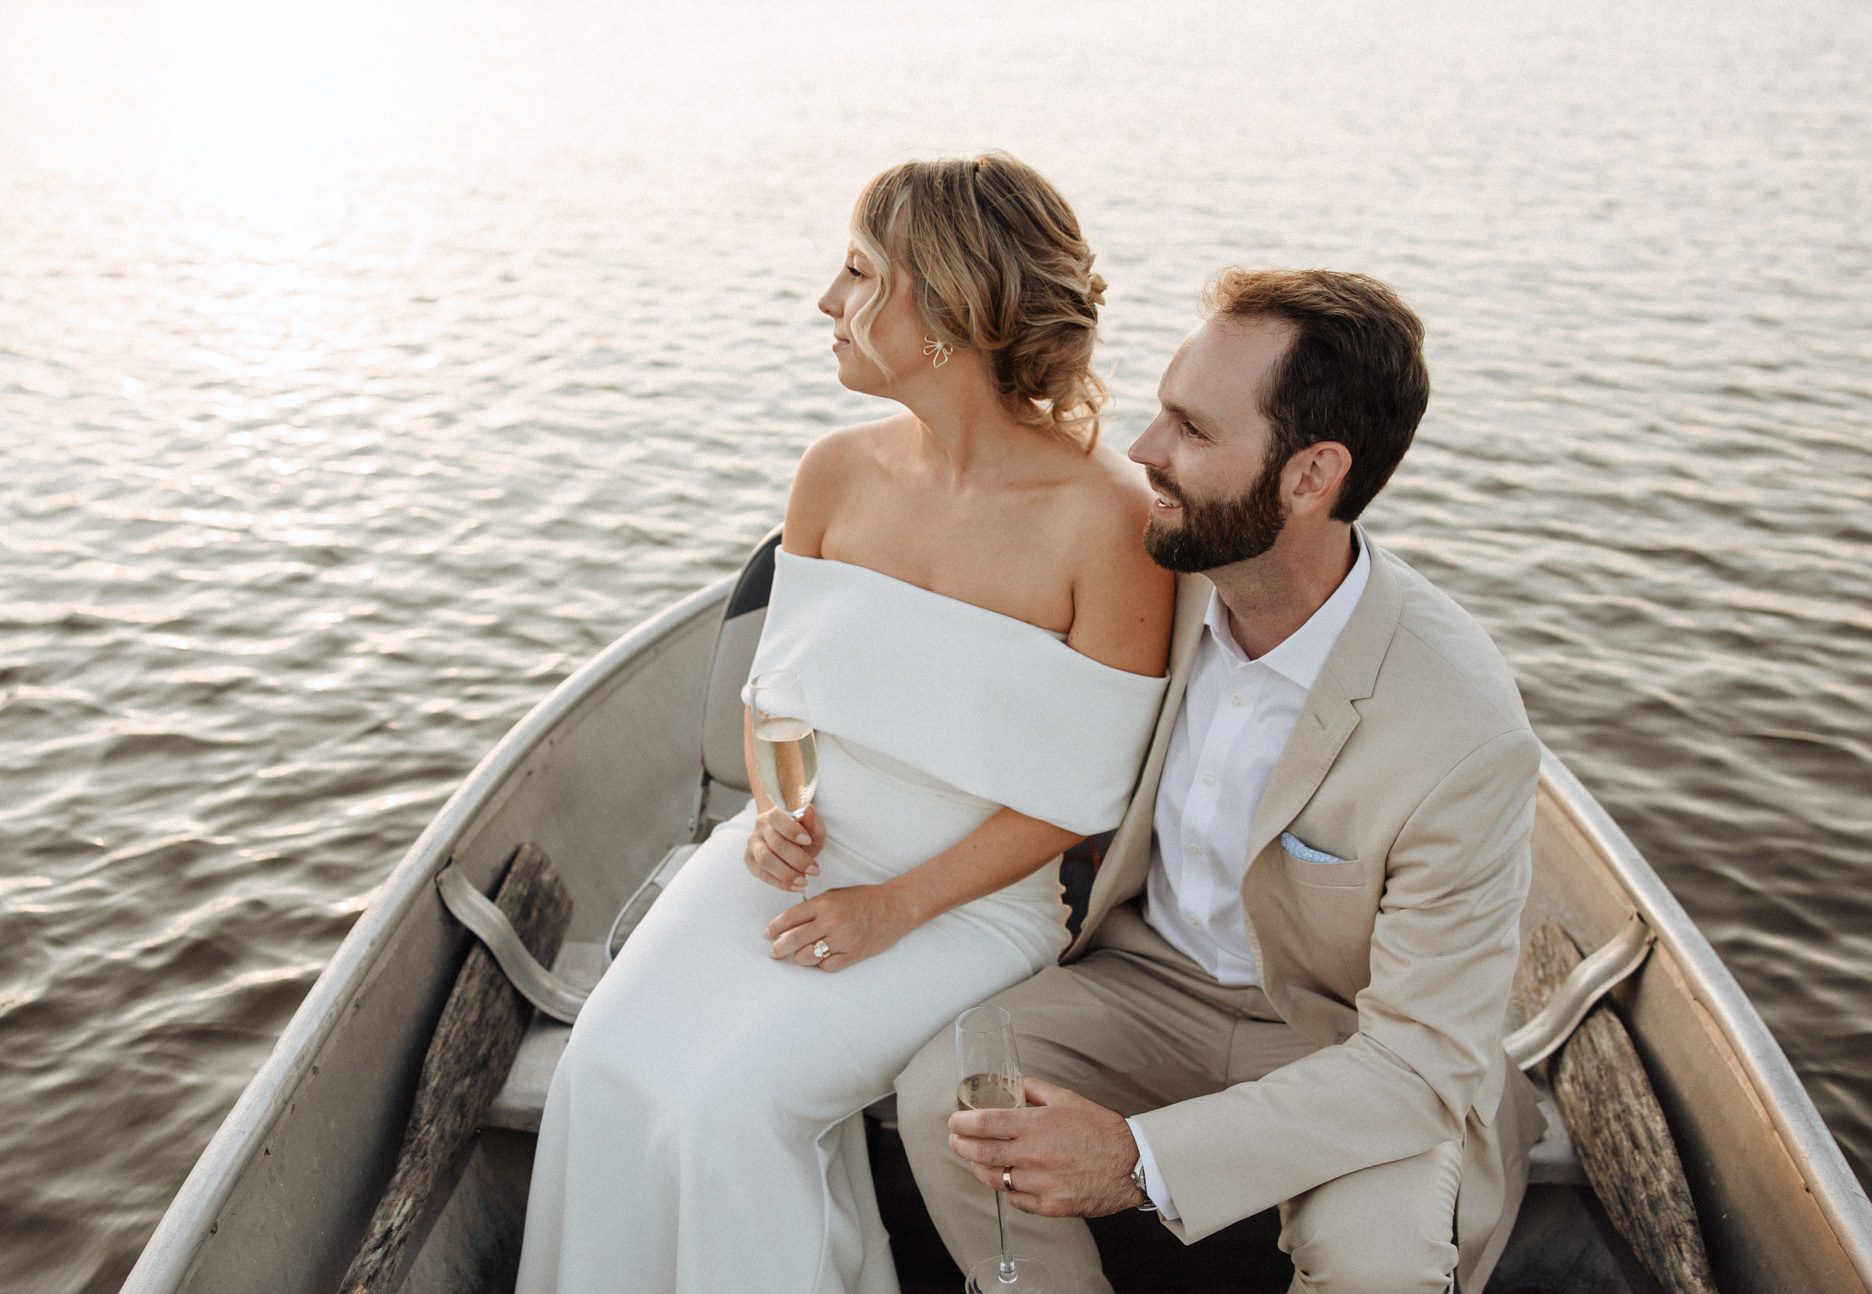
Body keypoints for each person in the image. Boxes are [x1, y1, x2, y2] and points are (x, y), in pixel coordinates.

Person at [512, 155, 1173, 1294]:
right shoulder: (832, 472)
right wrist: (775, 811)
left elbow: (1081, 798)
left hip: (966, 905)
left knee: (731, 1105)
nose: (826, 300)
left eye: (861, 272)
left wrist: (892, 906)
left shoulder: (1106, 522)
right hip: (796, 855)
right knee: (606, 1063)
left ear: (953, 312)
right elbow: (777, 701)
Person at [895, 268, 1547, 1293]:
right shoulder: (1153, 574)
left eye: (1191, 430)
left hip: (1345, 1044)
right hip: (1137, 983)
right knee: (949, 1092)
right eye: (1156, 411)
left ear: (1308, 475)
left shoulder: (1462, 731)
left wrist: (1136, 1162)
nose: (1144, 451)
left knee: (1379, 1271)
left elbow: (1418, 1064)